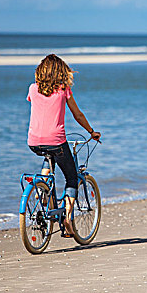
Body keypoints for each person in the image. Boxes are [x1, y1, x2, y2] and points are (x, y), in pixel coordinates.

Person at [27, 54, 101, 237]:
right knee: (71, 178)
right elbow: (78, 115)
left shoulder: (33, 88)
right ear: (60, 72)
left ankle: (42, 189)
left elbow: (35, 102)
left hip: (34, 142)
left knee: (48, 155)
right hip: (56, 141)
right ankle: (67, 217)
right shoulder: (63, 90)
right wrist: (91, 131)